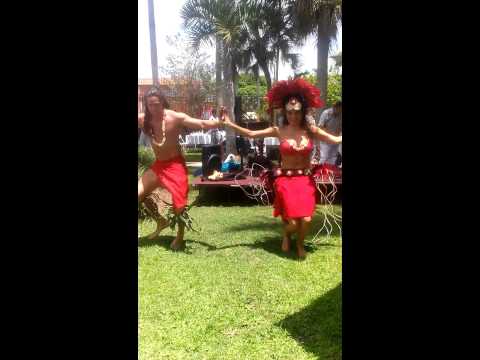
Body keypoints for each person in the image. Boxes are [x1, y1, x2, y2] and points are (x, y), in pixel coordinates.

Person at [220, 78, 342, 259]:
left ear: (303, 111)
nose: (294, 115)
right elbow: (252, 134)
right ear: (285, 111)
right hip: (285, 180)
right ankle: (287, 234)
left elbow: (335, 140)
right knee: (293, 223)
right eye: (290, 112)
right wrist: (229, 123)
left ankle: (300, 245)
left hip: (305, 180)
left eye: (297, 112)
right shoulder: (279, 130)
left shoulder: (311, 130)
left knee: (307, 220)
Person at [138, 86, 223, 250]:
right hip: (158, 166)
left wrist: (219, 121)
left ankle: (179, 236)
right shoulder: (144, 119)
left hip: (175, 165)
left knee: (179, 203)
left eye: (156, 104)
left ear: (162, 102)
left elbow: (202, 123)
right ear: (146, 105)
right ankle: (161, 221)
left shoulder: (175, 117)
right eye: (150, 105)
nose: (154, 108)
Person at [318, 100, 342, 165]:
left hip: (335, 139)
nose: (339, 111)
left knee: (333, 157)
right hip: (326, 139)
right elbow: (320, 126)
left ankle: (330, 171)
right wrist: (327, 134)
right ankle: (319, 170)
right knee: (325, 157)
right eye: (338, 109)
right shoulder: (326, 113)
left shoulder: (341, 115)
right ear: (335, 107)